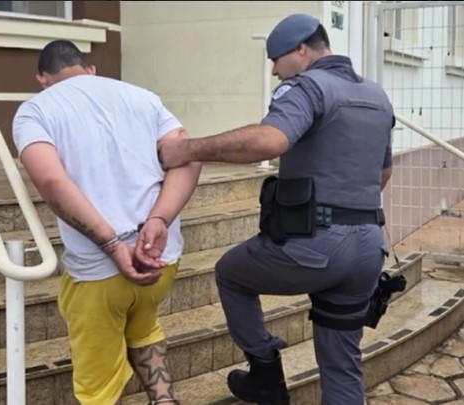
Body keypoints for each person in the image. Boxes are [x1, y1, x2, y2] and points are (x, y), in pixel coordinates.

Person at [158, 13, 394, 405]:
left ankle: (265, 372)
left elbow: (269, 140)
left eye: (275, 60)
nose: (273, 72)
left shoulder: (307, 86)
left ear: (300, 49)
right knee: (342, 366)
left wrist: (187, 149)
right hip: (369, 247)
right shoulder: (376, 95)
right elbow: (383, 173)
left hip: (316, 246)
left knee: (231, 273)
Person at [12, 39, 202, 405]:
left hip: (98, 269)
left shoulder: (35, 110)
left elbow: (50, 180)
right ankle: (164, 401)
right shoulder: (142, 97)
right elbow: (188, 156)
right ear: (90, 68)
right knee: (143, 326)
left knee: (96, 386)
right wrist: (158, 220)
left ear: (42, 78)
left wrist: (113, 246)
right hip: (160, 255)